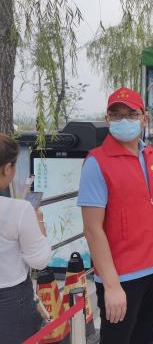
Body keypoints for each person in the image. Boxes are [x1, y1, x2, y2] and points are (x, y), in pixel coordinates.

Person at [79, 87, 153, 344]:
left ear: (144, 118)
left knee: (146, 338)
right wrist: (111, 285)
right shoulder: (96, 163)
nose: (124, 120)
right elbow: (92, 229)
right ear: (107, 119)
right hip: (123, 277)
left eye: (131, 114)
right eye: (117, 114)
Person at [0, 134, 51, 344]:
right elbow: (39, 260)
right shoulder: (19, 209)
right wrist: (39, 221)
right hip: (11, 300)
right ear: (7, 169)